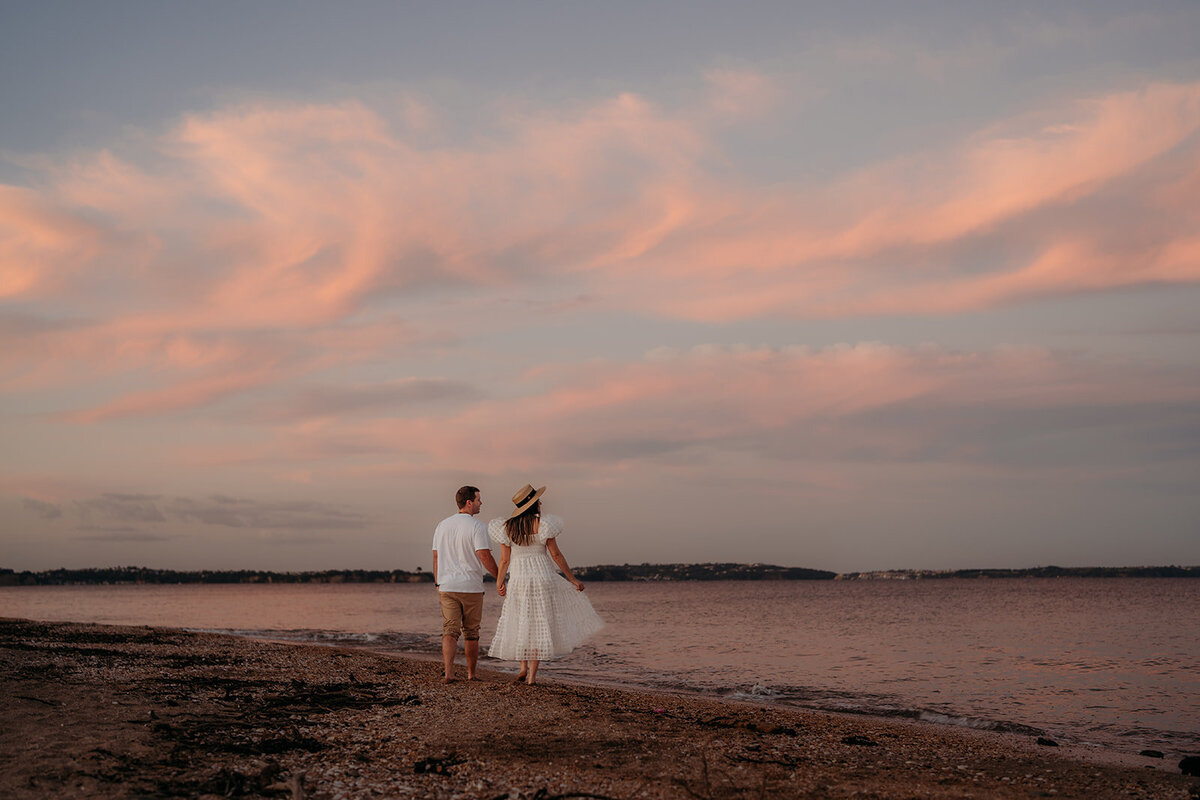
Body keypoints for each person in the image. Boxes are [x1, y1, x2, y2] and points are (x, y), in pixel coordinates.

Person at [487, 483, 604, 685]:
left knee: (522, 620)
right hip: (542, 578)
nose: (540, 502)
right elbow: (556, 555)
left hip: (519, 579)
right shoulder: (543, 525)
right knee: (539, 623)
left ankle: (522, 667)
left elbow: (504, 560)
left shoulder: (507, 527)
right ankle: (532, 677)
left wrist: (499, 582)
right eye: (537, 500)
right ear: (533, 505)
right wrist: (572, 579)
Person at [432, 485, 499, 683]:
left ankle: (449, 674)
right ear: (469, 502)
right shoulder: (477, 527)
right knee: (471, 633)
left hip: (446, 586)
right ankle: (471, 674)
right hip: (470, 587)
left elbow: (436, 556)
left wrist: (437, 582)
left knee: (449, 630)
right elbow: (484, 555)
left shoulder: (442, 525)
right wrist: (499, 577)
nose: (481, 503)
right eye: (479, 499)